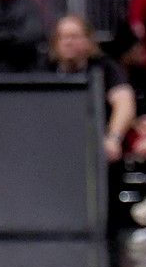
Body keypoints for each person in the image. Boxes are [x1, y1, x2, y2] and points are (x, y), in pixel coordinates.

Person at [47, 12, 136, 167]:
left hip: (95, 146)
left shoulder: (105, 67)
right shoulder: (44, 69)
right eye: (62, 37)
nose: (68, 42)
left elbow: (124, 103)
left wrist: (113, 138)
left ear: (88, 41)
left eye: (74, 37)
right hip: (55, 145)